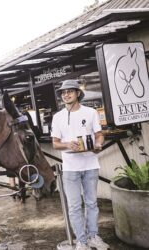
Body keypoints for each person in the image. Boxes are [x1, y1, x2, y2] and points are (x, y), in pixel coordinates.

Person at [51, 80, 109, 250]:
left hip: (90, 164)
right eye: (63, 92)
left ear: (78, 93)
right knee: (75, 206)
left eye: (69, 91)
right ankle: (81, 241)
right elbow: (55, 143)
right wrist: (68, 145)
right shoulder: (58, 117)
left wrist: (99, 144)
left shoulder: (91, 112)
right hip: (70, 168)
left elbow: (99, 135)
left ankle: (93, 236)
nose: (66, 95)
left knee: (91, 203)